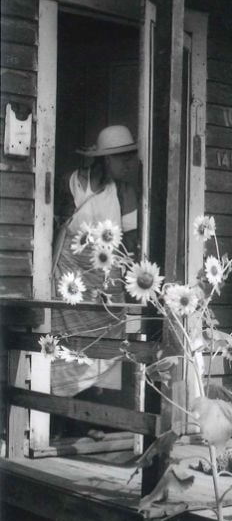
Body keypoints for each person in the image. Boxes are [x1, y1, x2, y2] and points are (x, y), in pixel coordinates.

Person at [51, 124, 140, 403]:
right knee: (66, 351)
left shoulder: (125, 193)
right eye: (122, 158)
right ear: (105, 159)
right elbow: (56, 228)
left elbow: (131, 246)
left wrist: (131, 285)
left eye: (130, 156)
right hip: (69, 281)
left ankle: (92, 417)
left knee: (101, 352)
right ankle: (61, 420)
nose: (129, 163)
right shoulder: (72, 183)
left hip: (105, 284)